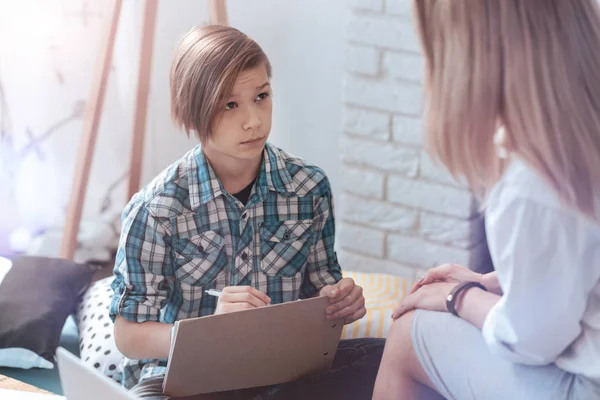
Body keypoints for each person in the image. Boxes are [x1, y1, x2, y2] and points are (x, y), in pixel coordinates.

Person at [108, 25, 384, 400]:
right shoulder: (156, 209)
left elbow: (321, 287)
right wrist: (210, 332)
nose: (254, 120)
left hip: (284, 370)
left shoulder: (309, 188)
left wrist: (339, 300)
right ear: (193, 113)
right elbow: (128, 336)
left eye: (262, 96)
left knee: (385, 357)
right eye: (230, 105)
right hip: (188, 380)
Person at [373, 1, 600, 399]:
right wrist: (491, 283)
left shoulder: (532, 183)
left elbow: (528, 342)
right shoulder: (583, 136)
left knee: (410, 333)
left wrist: (458, 298)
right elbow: (580, 266)